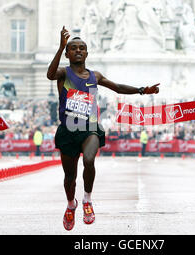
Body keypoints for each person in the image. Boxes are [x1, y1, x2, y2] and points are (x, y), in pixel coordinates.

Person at [47, 26, 159, 231]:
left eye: (82, 48)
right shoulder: (64, 73)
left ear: (87, 53)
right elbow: (50, 74)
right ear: (67, 53)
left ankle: (87, 200)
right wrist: (59, 48)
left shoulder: (95, 76)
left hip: (90, 128)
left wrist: (142, 90)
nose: (78, 50)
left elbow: (118, 87)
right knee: (70, 177)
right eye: (73, 48)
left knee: (89, 160)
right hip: (68, 131)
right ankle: (71, 205)